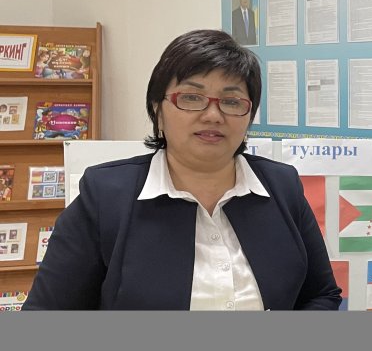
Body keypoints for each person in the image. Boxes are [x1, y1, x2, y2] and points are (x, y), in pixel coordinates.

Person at [23, 29, 341, 310]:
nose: (213, 115)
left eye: (232, 101)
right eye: (191, 97)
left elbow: (321, 294)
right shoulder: (105, 196)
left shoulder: (281, 186)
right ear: (157, 109)